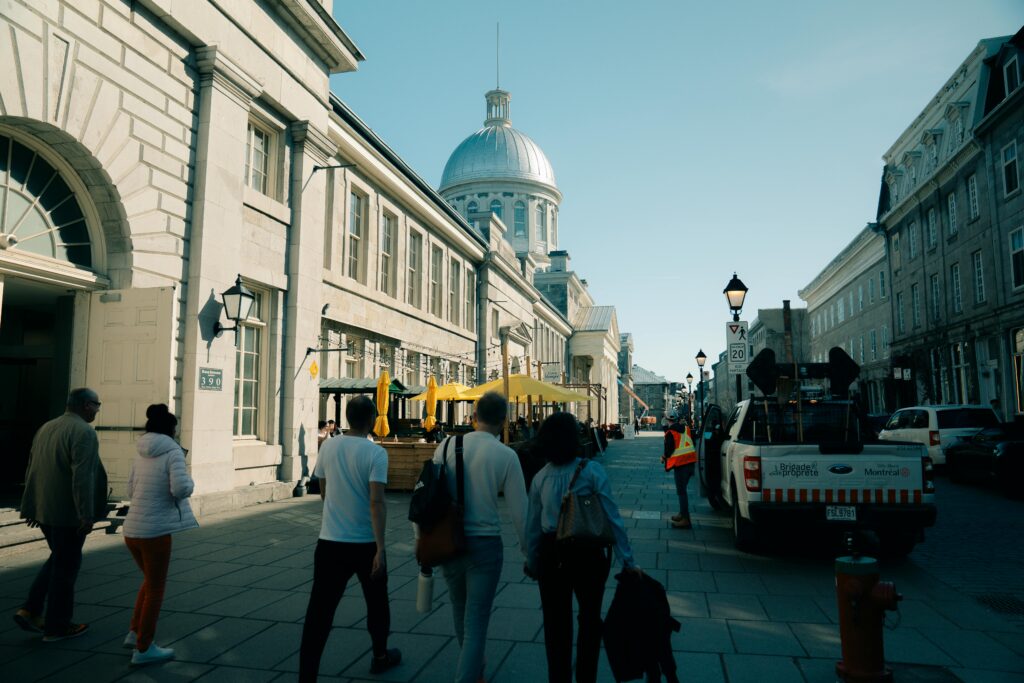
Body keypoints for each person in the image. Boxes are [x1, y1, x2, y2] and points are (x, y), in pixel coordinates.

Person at [525, 412, 640, 683]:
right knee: (590, 619)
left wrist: (532, 560)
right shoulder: (591, 471)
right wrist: (628, 560)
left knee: (555, 623)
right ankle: (586, 676)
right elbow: (613, 518)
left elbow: (532, 526)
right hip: (587, 553)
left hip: (551, 553)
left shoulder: (540, 478)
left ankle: (559, 677)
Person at [299, 396, 400, 681]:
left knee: (319, 612)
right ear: (371, 420)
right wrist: (381, 548)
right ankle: (380, 655)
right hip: (365, 543)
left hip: (330, 541)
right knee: (377, 604)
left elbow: (324, 491)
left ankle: (307, 675)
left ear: (347, 416)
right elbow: (376, 503)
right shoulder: (376, 454)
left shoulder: (329, 446)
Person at [433, 391, 528, 683]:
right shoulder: (507, 455)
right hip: (485, 546)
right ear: (503, 420)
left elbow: (426, 497)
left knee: (460, 612)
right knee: (476, 622)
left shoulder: (446, 446)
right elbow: (519, 513)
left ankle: (473, 671)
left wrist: (420, 540)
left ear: (474, 416)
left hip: (449, 542)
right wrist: (529, 552)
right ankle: (469, 675)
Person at [15, 388, 108, 642]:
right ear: (87, 405)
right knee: (66, 569)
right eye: (97, 405)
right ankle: (57, 626)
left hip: (46, 509)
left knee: (58, 559)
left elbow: (33, 467)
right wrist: (86, 514)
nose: (98, 410)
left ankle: (30, 609)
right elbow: (82, 477)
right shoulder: (84, 432)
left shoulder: (47, 427)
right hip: (69, 513)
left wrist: (31, 505)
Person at [122, 404, 198, 665]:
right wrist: (191, 482)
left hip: (132, 529)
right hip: (155, 531)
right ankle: (143, 648)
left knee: (149, 581)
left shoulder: (140, 451)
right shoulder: (173, 451)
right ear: (171, 429)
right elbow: (180, 488)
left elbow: (130, 490)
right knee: (156, 588)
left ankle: (134, 632)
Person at [662, 415, 696, 529]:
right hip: (691, 462)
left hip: (681, 465)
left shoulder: (671, 432)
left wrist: (664, 457)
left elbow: (669, 450)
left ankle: (685, 519)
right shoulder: (686, 429)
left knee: (681, 492)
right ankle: (682, 513)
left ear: (668, 420)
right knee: (683, 491)